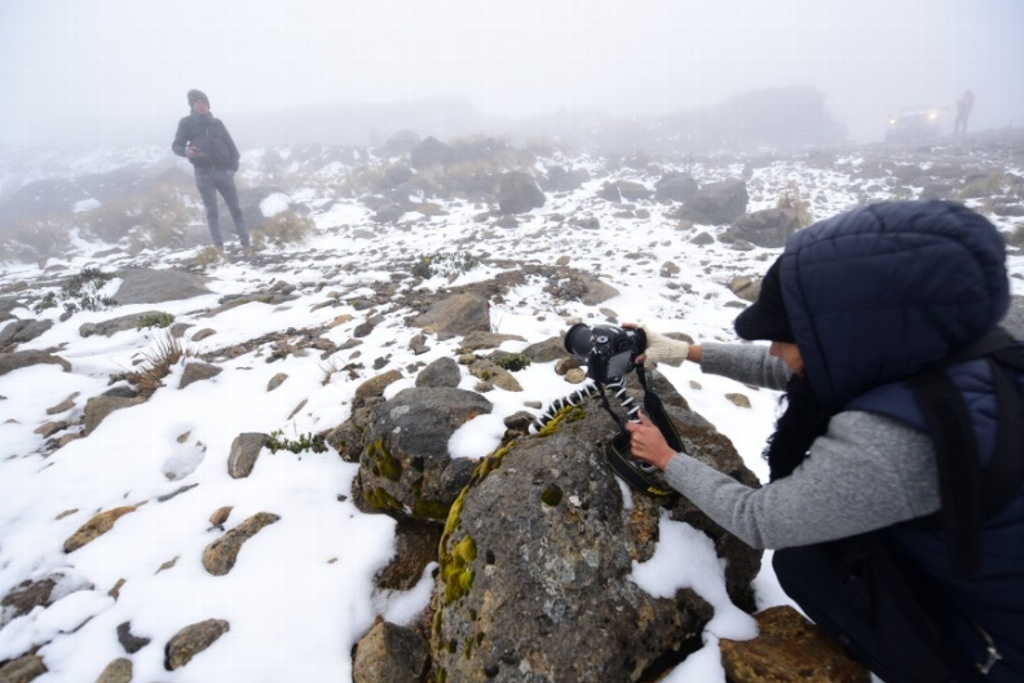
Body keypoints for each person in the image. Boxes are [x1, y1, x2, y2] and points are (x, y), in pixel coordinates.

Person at [625, 200, 1023, 682]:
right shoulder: (967, 354)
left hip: (998, 655)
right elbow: (793, 368)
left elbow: (762, 520)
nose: (773, 346)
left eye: (786, 334)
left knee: (804, 559)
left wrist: (668, 458)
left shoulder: (895, 441)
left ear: (844, 336)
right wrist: (681, 351)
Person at [172, 89, 251, 256]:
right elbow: (176, 146)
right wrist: (188, 152)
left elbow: (233, 149)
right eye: (197, 103)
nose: (201, 105)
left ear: (208, 105)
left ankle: (246, 245)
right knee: (212, 211)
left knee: (235, 209)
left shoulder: (217, 123)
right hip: (203, 173)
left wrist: (231, 169)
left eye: (204, 102)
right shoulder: (186, 123)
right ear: (193, 106)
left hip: (224, 173)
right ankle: (219, 248)